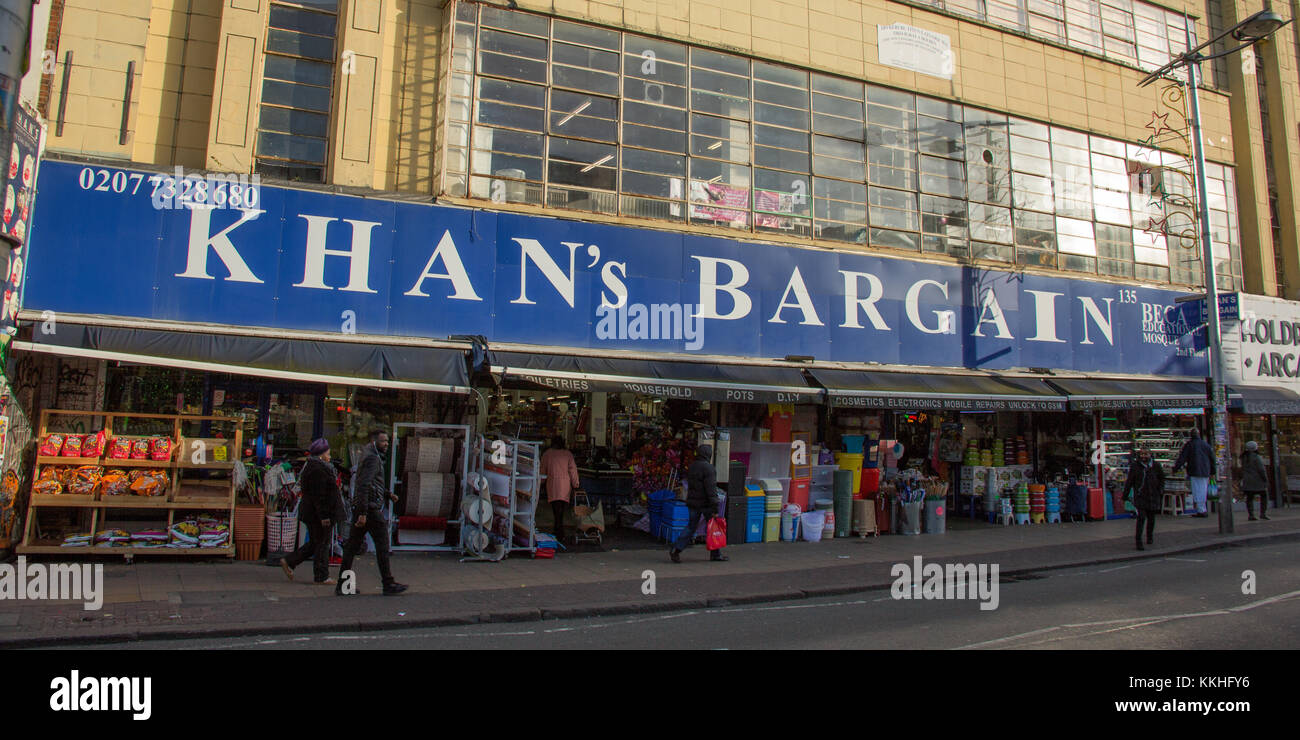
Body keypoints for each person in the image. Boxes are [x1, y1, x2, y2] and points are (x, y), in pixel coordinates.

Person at [337, 430, 408, 595]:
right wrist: (362, 512)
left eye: (387, 441)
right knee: (382, 545)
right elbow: (363, 485)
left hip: (364, 508)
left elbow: (372, 483)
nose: (386, 444)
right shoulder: (372, 458)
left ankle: (342, 584)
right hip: (370, 510)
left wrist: (387, 494)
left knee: (351, 547)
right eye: (383, 441)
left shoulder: (368, 454)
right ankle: (388, 583)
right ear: (374, 441)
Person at [280, 438, 346, 585]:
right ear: (321, 453)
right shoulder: (317, 469)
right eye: (328, 452)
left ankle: (290, 561)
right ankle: (321, 575)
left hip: (313, 511)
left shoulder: (316, 466)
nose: (330, 454)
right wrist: (324, 515)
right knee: (322, 543)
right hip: (318, 513)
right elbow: (319, 495)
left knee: (317, 542)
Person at [670, 444, 727, 563]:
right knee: (713, 528)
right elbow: (711, 489)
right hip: (705, 503)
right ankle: (716, 553)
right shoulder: (709, 468)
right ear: (708, 454)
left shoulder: (692, 466)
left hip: (693, 502)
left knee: (691, 527)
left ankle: (676, 549)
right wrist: (715, 506)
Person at [1123, 446, 1165, 551]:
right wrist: (1125, 495)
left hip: (1153, 496)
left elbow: (1162, 478)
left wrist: (1160, 490)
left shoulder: (1156, 466)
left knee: (1151, 518)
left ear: (1150, 455)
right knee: (1141, 518)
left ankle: (1149, 536)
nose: (1143, 456)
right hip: (1141, 496)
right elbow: (1129, 481)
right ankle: (1139, 542)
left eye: (1146, 454)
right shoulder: (1135, 466)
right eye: (1142, 454)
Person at [540, 435, 580, 542]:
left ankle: (557, 530)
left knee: (556, 509)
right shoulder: (568, 454)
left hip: (552, 484)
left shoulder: (547, 454)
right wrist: (576, 484)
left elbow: (542, 470)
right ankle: (559, 531)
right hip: (565, 485)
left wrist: (541, 482)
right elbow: (573, 470)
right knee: (561, 509)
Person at [1172, 428, 1215, 518]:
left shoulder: (1189, 445)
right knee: (1202, 489)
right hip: (1205, 471)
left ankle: (1201, 510)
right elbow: (1212, 459)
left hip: (1194, 470)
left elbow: (1182, 458)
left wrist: (1175, 468)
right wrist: (1212, 471)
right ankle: (1202, 509)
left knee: (1197, 490)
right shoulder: (1205, 445)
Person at [1240, 440, 1270, 521]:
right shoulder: (1257, 457)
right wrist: (1265, 479)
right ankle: (1263, 513)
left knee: (1249, 497)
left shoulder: (1243, 457)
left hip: (1247, 480)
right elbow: (1261, 470)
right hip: (1258, 480)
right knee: (1264, 495)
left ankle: (1251, 514)